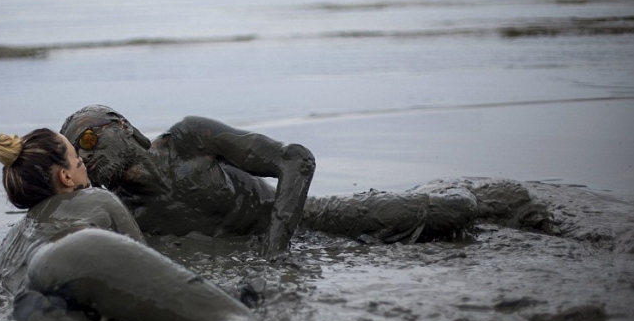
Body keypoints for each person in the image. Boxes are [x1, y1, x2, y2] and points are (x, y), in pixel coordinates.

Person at [60, 105, 551, 253]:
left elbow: (296, 160)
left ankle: (486, 197)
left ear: (124, 127)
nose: (87, 155)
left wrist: (277, 246)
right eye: (76, 153)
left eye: (89, 139)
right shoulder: (120, 212)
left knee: (456, 212)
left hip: (308, 218)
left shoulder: (190, 139)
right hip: (270, 242)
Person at [0, 128, 256, 321]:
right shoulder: (97, 198)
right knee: (236, 318)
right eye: (77, 158)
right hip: (78, 249)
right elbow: (147, 268)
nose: (84, 162)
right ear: (65, 177)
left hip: (30, 296)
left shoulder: (12, 239)